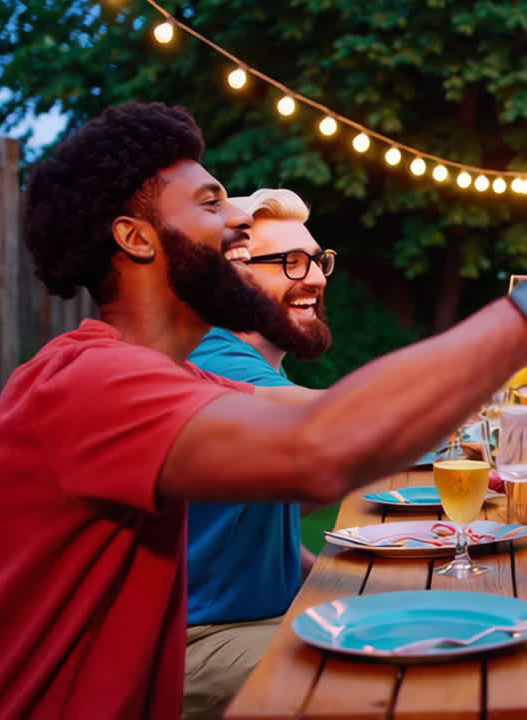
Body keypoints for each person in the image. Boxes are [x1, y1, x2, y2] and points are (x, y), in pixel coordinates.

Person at [0, 101, 527, 720]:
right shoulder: (88, 382)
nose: (236, 225)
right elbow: (325, 447)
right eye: (213, 203)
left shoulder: (172, 381)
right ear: (134, 237)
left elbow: (346, 429)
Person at [181, 188, 332, 719]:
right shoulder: (215, 361)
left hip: (243, 624)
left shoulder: (263, 371)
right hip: (187, 642)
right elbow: (341, 428)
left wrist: (335, 576)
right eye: (290, 263)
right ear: (235, 277)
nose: (314, 277)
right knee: (374, 672)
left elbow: (255, 524)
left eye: (317, 260)